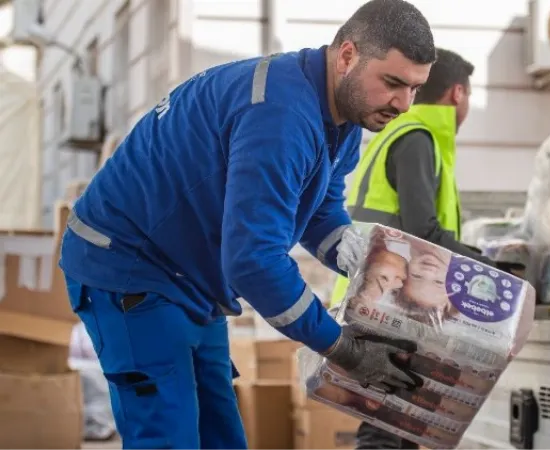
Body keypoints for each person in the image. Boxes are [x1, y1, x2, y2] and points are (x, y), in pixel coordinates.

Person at [58, 0, 435, 448]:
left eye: (415, 89)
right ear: (348, 56)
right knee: (170, 437)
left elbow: (318, 209)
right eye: (393, 83)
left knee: (222, 436)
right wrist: (343, 348)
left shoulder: (344, 116)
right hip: (129, 268)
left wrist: (351, 254)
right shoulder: (282, 115)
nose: (404, 104)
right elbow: (253, 262)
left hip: (190, 279)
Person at [328, 48, 497, 450]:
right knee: (385, 427)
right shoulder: (418, 139)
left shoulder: (405, 134)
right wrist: (490, 267)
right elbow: (425, 231)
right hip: (388, 302)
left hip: (386, 297)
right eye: (469, 97)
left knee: (399, 425)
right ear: (457, 94)